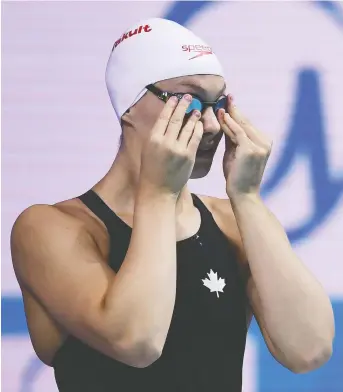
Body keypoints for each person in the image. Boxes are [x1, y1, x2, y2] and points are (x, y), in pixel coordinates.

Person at [11, 18, 334, 392]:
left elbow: (309, 350)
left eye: (219, 103)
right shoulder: (54, 228)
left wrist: (247, 198)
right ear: (129, 106)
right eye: (190, 101)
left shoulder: (231, 221)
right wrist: (159, 194)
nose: (212, 124)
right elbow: (136, 340)